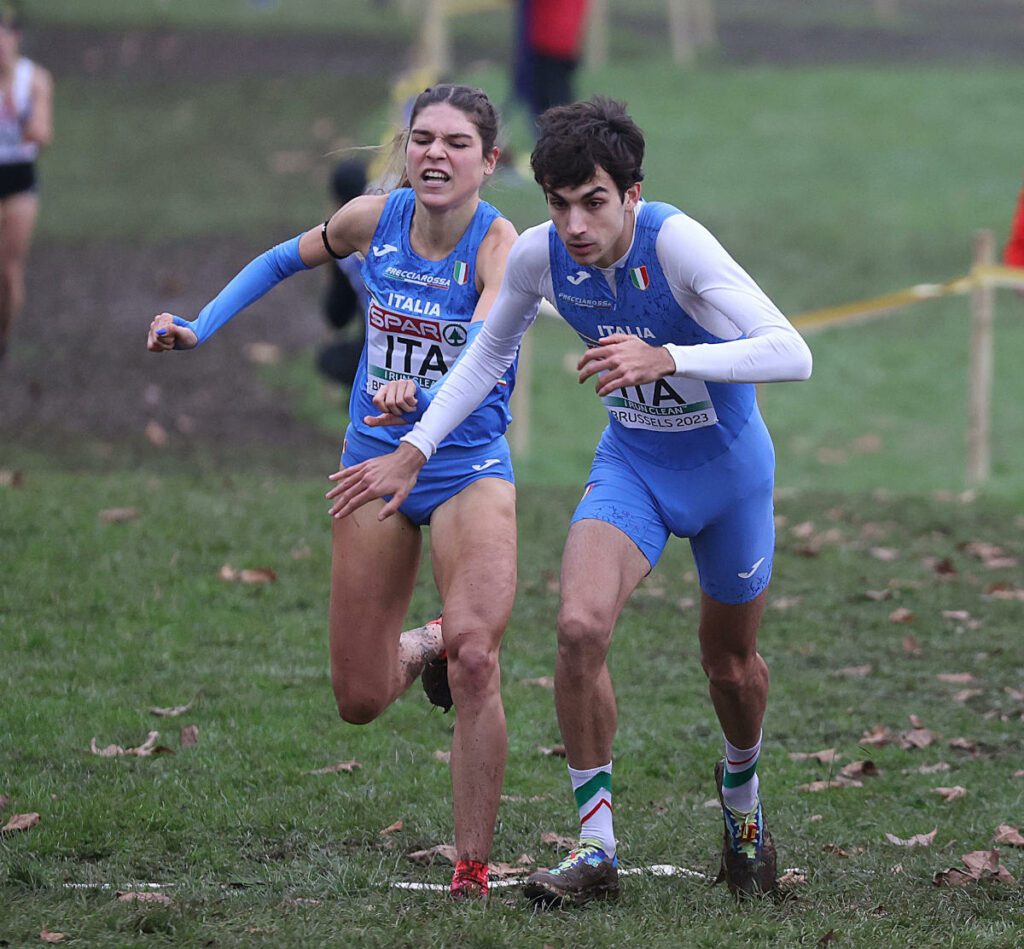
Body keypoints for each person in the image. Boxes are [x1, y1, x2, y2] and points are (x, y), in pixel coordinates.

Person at [326, 97, 813, 906]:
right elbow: (484, 359)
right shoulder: (538, 257)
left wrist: (668, 355)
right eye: (558, 203)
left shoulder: (676, 242)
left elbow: (791, 352)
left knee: (729, 665)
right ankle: (596, 848)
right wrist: (414, 450)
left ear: (630, 192)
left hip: (729, 476)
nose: (576, 224)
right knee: (579, 627)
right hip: (634, 468)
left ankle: (743, 807)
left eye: (594, 201)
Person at [147, 84, 521, 901]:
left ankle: (471, 866)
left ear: (489, 161)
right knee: (357, 697)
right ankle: (425, 642)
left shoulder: (502, 249)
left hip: (464, 467)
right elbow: (283, 259)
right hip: (371, 463)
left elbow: (490, 346)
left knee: (480, 655)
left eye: (457, 143)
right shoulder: (371, 219)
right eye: (421, 138)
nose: (435, 154)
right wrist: (202, 323)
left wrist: (422, 408)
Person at [0, 0, 52, 363]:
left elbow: (41, 134)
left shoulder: (33, 79)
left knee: (8, 271)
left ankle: (2, 337)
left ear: (14, 38)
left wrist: (14, 108)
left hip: (19, 177)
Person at [317, 159, 369, 388]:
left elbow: (337, 317)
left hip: (376, 346)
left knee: (328, 359)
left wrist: (330, 267)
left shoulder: (344, 247)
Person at [513, 0, 590, 127]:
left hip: (548, 44)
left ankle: (565, 140)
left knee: (552, 106)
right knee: (559, 103)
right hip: (564, 41)